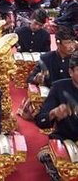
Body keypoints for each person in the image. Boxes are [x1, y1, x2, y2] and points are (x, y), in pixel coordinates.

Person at [35, 51, 78, 181]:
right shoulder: (59, 87)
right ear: (70, 72)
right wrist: (53, 113)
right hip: (64, 139)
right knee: (46, 156)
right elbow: (40, 120)